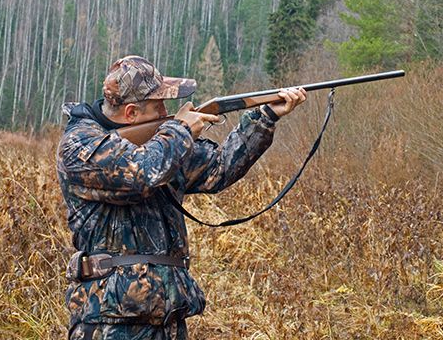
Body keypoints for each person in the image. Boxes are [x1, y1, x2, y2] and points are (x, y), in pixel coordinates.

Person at [57, 55, 306, 339]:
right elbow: (142, 173)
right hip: (109, 322)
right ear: (131, 113)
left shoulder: (162, 143)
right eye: (158, 106)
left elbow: (218, 168)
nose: (167, 113)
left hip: (167, 317)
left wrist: (265, 117)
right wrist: (182, 130)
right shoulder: (80, 145)